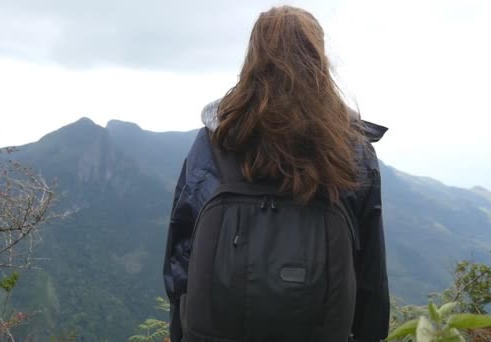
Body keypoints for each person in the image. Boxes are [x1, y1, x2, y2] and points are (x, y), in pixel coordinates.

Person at [163, 5, 389, 342]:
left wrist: (181, 327)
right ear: (319, 59)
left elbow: (182, 247)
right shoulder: (351, 149)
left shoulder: (215, 139)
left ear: (252, 57)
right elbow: (369, 264)